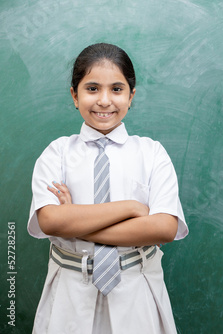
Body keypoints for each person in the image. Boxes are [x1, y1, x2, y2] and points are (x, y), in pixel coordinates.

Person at [27, 43, 188, 334]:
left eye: (116, 89)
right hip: (70, 292)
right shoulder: (57, 153)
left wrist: (74, 220)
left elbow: (165, 227)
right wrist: (130, 209)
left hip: (137, 289)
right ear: (75, 96)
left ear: (131, 96)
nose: (104, 101)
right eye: (92, 89)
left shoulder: (152, 153)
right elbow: (49, 220)